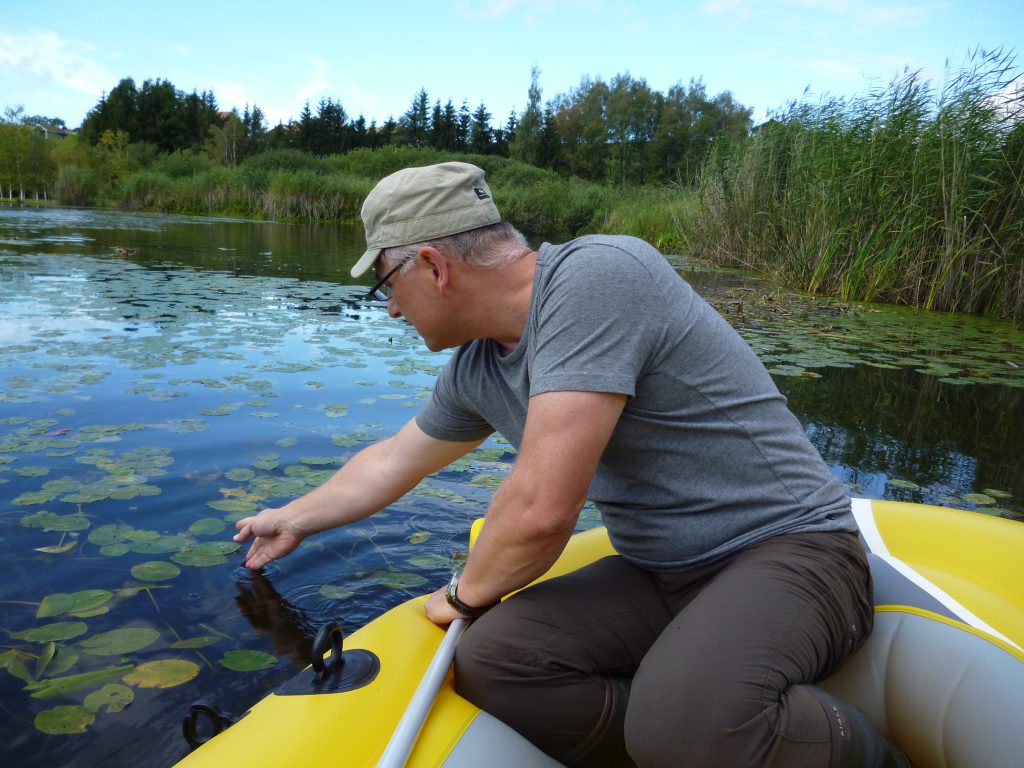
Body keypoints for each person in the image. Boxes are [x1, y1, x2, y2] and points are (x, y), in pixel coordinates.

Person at [233, 162, 910, 768]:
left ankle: (871, 756)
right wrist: (291, 519)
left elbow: (541, 512)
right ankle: (687, 745)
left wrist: (463, 594)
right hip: (661, 570)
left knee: (681, 723)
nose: (387, 303)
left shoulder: (599, 276)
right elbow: (390, 461)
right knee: (496, 660)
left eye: (385, 279)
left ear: (434, 267)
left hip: (794, 551)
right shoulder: (477, 366)